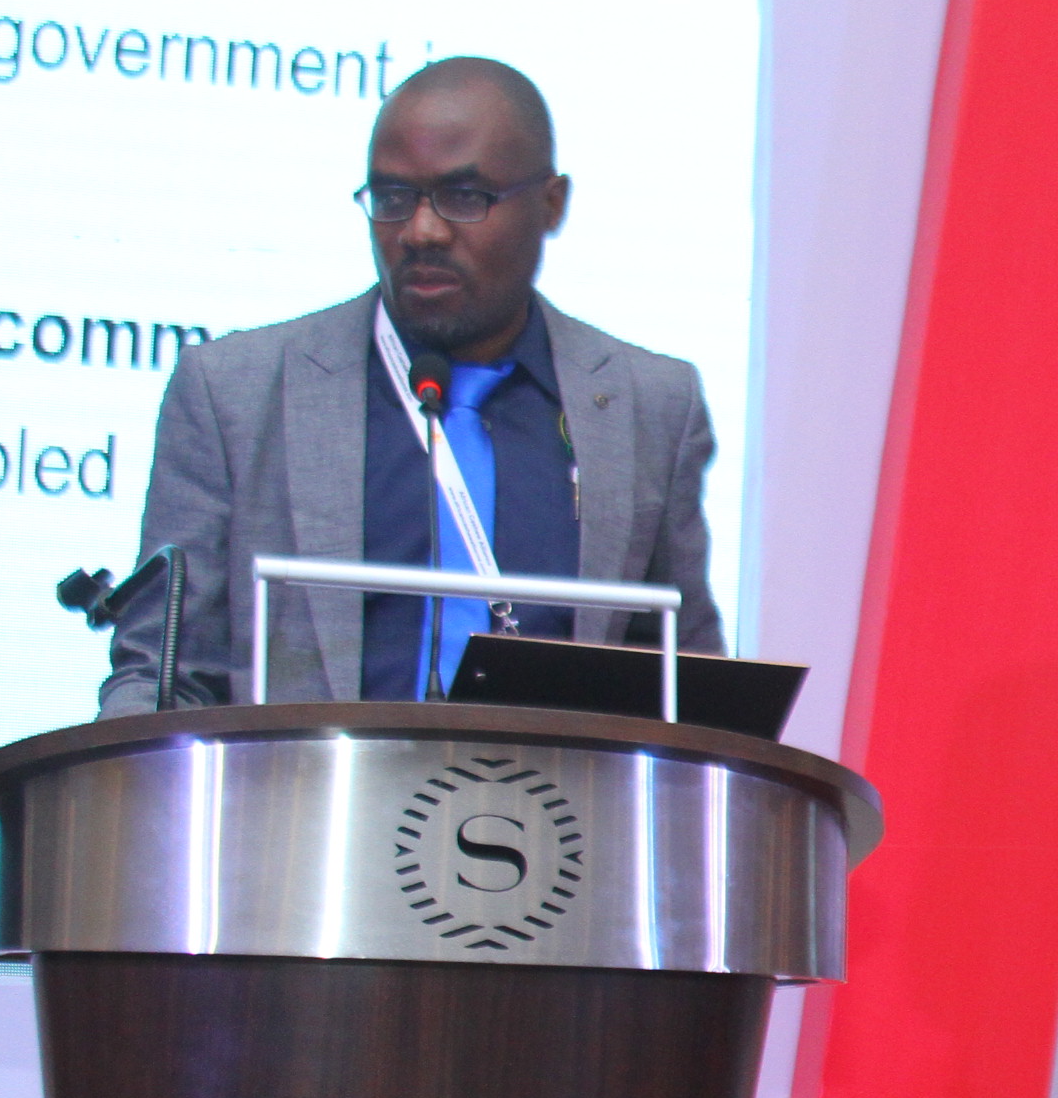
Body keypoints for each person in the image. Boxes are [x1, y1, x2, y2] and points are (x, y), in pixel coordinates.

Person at [99, 56, 723, 713]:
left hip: (554, 783)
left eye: (465, 197)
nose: (422, 231)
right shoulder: (234, 395)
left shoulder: (650, 407)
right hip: (304, 781)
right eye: (394, 198)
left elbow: (688, 693)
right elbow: (161, 677)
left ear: (550, 203)